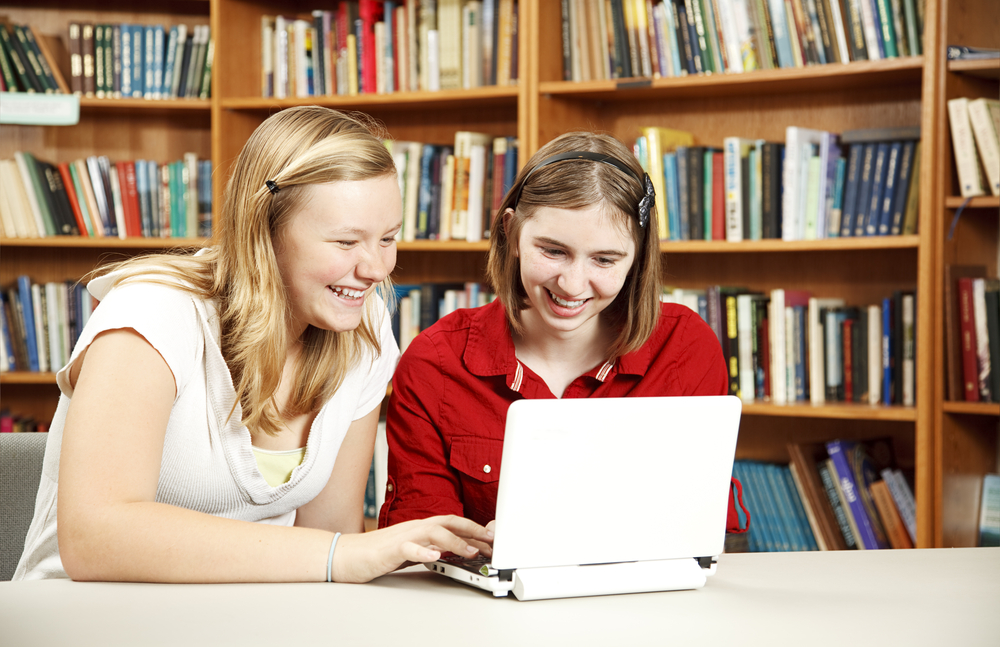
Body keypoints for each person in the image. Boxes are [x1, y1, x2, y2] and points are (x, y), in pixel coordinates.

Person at [14, 106, 490, 584]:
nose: (376, 268)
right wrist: (340, 555)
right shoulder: (152, 314)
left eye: (388, 238)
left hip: (250, 618)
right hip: (88, 620)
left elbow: (330, 535)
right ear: (265, 231)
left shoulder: (363, 329)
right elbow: (95, 538)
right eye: (346, 242)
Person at [379, 131, 747, 538]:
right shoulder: (435, 362)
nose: (572, 284)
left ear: (638, 257)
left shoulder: (684, 348)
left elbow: (707, 525)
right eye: (553, 251)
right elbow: (419, 547)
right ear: (512, 232)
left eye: (604, 259)